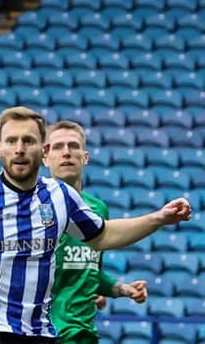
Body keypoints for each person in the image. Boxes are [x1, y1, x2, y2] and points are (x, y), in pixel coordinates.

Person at [0, 106, 192, 344]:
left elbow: (102, 235)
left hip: (42, 334)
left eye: (28, 141)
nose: (19, 149)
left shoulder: (61, 196)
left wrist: (159, 218)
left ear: (42, 150)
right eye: (11, 141)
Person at [43, 120, 148, 344]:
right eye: (58, 147)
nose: (67, 152)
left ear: (85, 157)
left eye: (73, 146)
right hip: (47, 333)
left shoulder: (98, 209)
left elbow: (89, 270)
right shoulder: (35, 206)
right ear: (45, 157)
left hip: (84, 333)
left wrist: (122, 289)